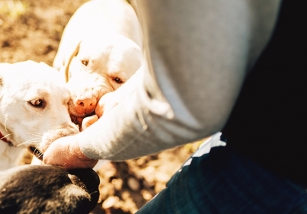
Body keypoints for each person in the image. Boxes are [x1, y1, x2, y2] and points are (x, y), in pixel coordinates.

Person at [43, 0, 307, 213]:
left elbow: (178, 108)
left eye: (117, 80)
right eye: (84, 64)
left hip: (279, 155)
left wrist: (79, 148)